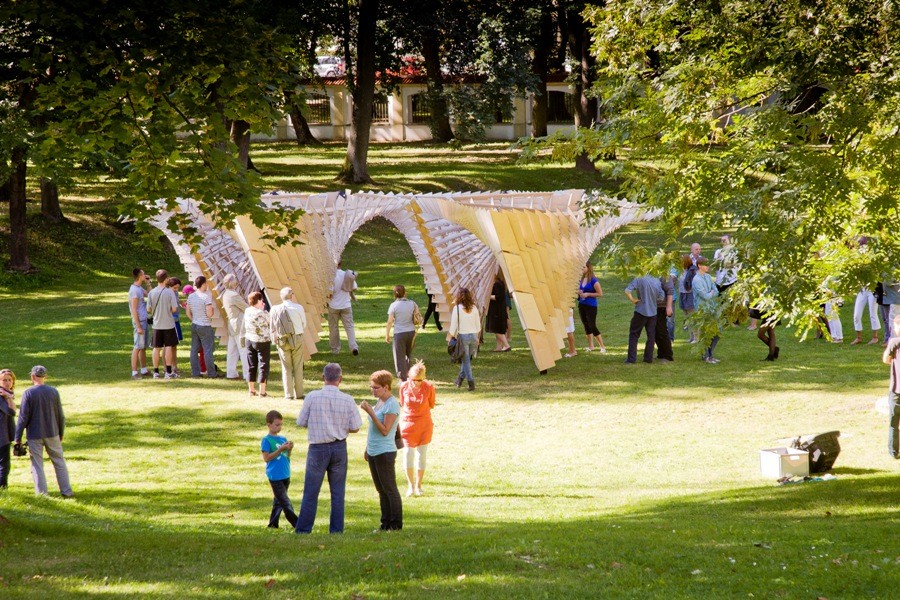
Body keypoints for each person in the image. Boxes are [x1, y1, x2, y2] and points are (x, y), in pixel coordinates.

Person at [295, 363, 362, 534]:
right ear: (340, 379)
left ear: (323, 378)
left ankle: (303, 529)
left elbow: (301, 422)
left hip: (318, 447)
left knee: (311, 490)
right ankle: (336, 530)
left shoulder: (312, 397)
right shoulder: (347, 399)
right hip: (339, 447)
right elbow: (355, 427)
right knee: (338, 492)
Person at [14, 366, 73, 497]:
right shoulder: (53, 392)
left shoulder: (28, 393)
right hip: (53, 432)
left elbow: (23, 417)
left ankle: (42, 493)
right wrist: (61, 432)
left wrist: (17, 437)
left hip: (35, 434)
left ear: (33, 376)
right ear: (45, 377)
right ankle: (67, 491)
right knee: (59, 461)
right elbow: (60, 415)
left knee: (37, 464)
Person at [360, 370, 403, 530]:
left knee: (389, 488)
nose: (373, 390)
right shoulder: (379, 402)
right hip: (373, 451)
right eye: (371, 387)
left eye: (376, 388)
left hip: (385, 452)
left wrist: (370, 412)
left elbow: (385, 430)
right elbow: (373, 429)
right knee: (381, 489)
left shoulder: (392, 404)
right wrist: (367, 448)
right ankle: (385, 524)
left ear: (386, 387)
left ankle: (395, 524)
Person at [398, 361, 435, 497]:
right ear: (409, 377)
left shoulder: (429, 387)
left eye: (419, 380)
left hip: (424, 423)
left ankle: (419, 485)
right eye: (414, 380)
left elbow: (431, 404)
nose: (416, 383)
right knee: (408, 453)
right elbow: (402, 403)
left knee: (422, 454)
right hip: (408, 423)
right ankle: (410, 485)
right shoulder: (403, 387)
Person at [260, 410, 297, 528]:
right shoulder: (266, 440)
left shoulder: (282, 438)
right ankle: (298, 524)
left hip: (285, 474)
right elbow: (266, 458)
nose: (279, 427)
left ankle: (273, 524)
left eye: (281, 424)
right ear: (269, 425)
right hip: (275, 476)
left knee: (278, 501)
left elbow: (287, 456)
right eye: (276, 425)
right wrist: (280, 449)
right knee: (285, 502)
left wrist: (289, 449)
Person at [270, 287, 307, 400]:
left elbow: (272, 326)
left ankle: (288, 394)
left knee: (286, 367)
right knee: (298, 366)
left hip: (282, 339)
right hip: (297, 337)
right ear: (292, 295)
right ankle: (299, 393)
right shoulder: (299, 307)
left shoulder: (274, 309)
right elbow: (303, 324)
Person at [624, 274, 665, 364]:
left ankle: (631, 359)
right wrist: (653, 301)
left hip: (640, 311)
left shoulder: (639, 278)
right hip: (653, 312)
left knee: (634, 335)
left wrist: (633, 300)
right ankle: (648, 358)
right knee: (651, 336)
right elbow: (662, 297)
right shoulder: (657, 280)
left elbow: (627, 290)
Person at [147, 269, 180, 379]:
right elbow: (174, 309)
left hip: (156, 324)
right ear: (166, 279)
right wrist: (167, 311)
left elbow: (148, 309)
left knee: (156, 348)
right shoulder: (170, 292)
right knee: (169, 346)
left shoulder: (152, 292)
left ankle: (156, 372)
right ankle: (168, 371)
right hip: (168, 323)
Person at [448, 287, 481, 391]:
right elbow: (478, 326)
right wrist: (478, 338)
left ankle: (471, 383)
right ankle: (460, 379)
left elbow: (453, 326)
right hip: (474, 337)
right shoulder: (474, 308)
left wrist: (450, 337)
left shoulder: (457, 309)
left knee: (466, 361)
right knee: (466, 360)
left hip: (463, 337)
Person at [385, 285, 420, 381]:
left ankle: (403, 378)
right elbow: (418, 316)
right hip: (411, 332)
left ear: (395, 295)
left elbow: (389, 321)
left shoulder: (393, 305)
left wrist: (387, 334)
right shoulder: (412, 303)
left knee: (399, 356)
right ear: (405, 293)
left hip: (399, 333)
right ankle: (409, 374)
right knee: (408, 355)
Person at [186, 276, 218, 378]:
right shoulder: (206, 297)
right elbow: (209, 314)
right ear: (203, 284)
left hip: (195, 324)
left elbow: (187, 312)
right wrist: (212, 311)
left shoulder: (191, 296)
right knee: (208, 350)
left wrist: (194, 319)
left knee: (194, 350)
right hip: (205, 325)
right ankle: (212, 373)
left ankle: (196, 372)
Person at [220, 273, 250, 380]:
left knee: (232, 351)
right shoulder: (234, 295)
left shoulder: (225, 294)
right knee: (243, 350)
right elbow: (247, 308)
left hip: (232, 324)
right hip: (239, 324)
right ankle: (247, 374)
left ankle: (231, 372)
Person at [692, 257, 721, 363]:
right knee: (706, 334)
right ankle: (706, 356)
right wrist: (711, 293)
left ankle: (710, 355)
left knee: (717, 332)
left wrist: (711, 293)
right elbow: (705, 296)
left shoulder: (708, 276)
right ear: (699, 266)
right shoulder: (696, 280)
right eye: (705, 265)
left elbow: (716, 291)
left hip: (712, 308)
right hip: (702, 310)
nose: (708, 267)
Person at [328, 261, 359, 356]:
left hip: (333, 305)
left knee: (333, 328)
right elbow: (355, 287)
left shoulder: (331, 276)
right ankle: (353, 346)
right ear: (340, 264)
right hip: (346, 304)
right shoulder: (347, 274)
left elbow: (330, 293)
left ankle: (335, 349)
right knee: (349, 327)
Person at [243, 291, 271, 397]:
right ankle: (262, 391)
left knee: (252, 364)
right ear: (258, 301)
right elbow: (270, 321)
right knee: (263, 364)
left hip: (249, 339)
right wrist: (264, 310)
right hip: (262, 340)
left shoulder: (247, 310)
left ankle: (251, 390)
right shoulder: (261, 313)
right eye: (262, 300)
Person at [577, 263, 607, 353]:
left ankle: (602, 347)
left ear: (588, 268)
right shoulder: (582, 279)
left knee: (592, 325)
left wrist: (588, 294)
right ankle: (591, 346)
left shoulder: (594, 280)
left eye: (583, 267)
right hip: (582, 305)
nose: (582, 268)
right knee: (586, 325)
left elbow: (600, 294)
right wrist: (579, 292)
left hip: (591, 306)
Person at [882, 315, 900, 459]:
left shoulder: (894, 342)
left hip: (896, 389)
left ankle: (893, 451)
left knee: (894, 422)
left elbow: (886, 359)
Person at [128, 268, 151, 379]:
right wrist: (138, 326)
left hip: (144, 320)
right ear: (139, 276)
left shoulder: (139, 288)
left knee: (143, 347)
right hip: (140, 322)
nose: (145, 275)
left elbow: (150, 295)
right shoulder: (134, 291)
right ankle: (134, 372)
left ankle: (143, 369)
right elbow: (134, 309)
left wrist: (148, 283)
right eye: (143, 274)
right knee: (137, 346)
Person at [486, 273, 511, 352]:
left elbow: (498, 297)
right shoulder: (499, 283)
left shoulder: (497, 284)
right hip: (497, 310)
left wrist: (487, 296)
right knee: (498, 329)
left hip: (496, 311)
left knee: (496, 329)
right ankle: (499, 347)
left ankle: (506, 345)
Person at [0, 369, 16, 489]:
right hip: (2, 435)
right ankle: (2, 487)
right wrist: (9, 398)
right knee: (3, 463)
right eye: (4, 380)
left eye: (9, 380)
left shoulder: (6, 394)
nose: (7, 382)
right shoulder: (2, 395)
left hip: (5, 432)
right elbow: (11, 411)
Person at [655, 271, 675, 362]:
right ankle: (661, 353)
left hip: (661, 306)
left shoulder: (665, 275)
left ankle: (667, 355)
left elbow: (670, 291)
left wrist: (669, 306)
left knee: (661, 330)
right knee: (655, 331)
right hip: (653, 306)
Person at [679, 255, 699, 343]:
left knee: (692, 317)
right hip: (682, 294)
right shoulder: (681, 271)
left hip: (689, 295)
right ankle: (691, 337)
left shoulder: (692, 271)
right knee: (687, 317)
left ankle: (696, 337)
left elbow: (693, 283)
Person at [168, 278, 185, 374]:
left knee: (175, 345)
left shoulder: (175, 293)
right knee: (169, 346)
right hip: (170, 321)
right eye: (174, 288)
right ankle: (168, 367)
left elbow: (176, 304)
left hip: (176, 320)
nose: (176, 289)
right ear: (170, 286)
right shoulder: (167, 294)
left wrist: (181, 304)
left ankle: (175, 366)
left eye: (178, 288)